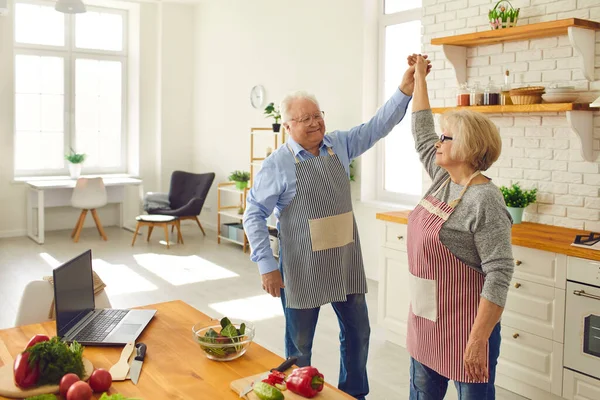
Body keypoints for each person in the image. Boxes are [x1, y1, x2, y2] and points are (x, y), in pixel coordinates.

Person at [243, 59, 430, 399]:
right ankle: (299, 395)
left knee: (359, 334)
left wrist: (405, 89)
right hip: (301, 268)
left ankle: (353, 394)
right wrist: (267, 265)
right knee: (299, 348)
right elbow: (253, 213)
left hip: (344, 261)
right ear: (287, 126)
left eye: (318, 115)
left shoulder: (340, 144)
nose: (315, 123)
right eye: (305, 119)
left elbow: (378, 126)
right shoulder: (278, 164)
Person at [406, 53, 515, 400]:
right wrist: (419, 78)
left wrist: (479, 339)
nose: (439, 142)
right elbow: (422, 130)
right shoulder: (442, 178)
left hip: (466, 329)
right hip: (425, 321)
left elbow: (499, 272)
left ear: (468, 147)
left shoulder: (485, 199)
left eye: (448, 137)